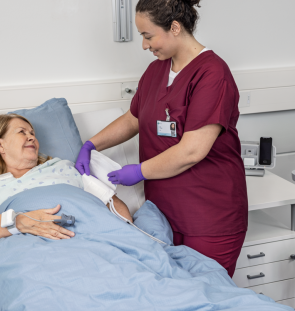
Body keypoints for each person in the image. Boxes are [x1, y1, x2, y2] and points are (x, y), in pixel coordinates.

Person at [75, 0, 247, 277]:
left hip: (208, 213)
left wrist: (140, 171)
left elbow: (192, 151)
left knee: (207, 293)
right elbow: (134, 118)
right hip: (162, 214)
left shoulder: (213, 74)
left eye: (148, 36)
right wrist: (91, 144)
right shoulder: (157, 70)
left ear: (175, 28)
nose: (145, 45)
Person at [0, 114, 131, 246]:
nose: (32, 137)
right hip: (27, 252)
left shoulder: (63, 168)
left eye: (33, 133)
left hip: (91, 240)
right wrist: (19, 222)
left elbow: (111, 204)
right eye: (22, 132)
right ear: (0, 144)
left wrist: (126, 238)